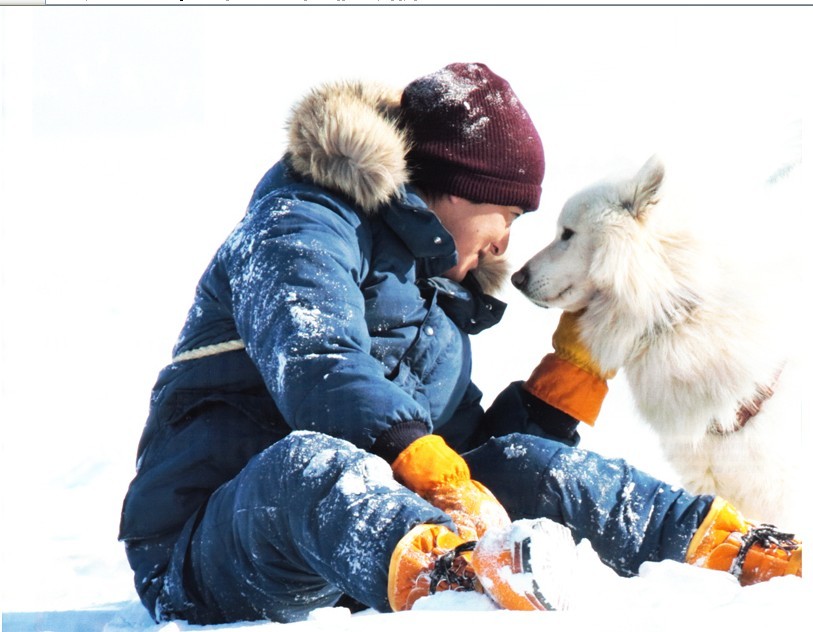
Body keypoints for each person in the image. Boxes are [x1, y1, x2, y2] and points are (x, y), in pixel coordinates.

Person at [118, 63, 802, 625]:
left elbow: (472, 460)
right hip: (213, 546)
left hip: (370, 550)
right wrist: (431, 470)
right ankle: (462, 588)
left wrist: (569, 378)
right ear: (451, 190)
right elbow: (317, 363)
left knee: (528, 464)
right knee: (308, 465)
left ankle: (744, 552)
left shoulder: (433, 298)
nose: (508, 240)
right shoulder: (297, 226)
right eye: (505, 212)